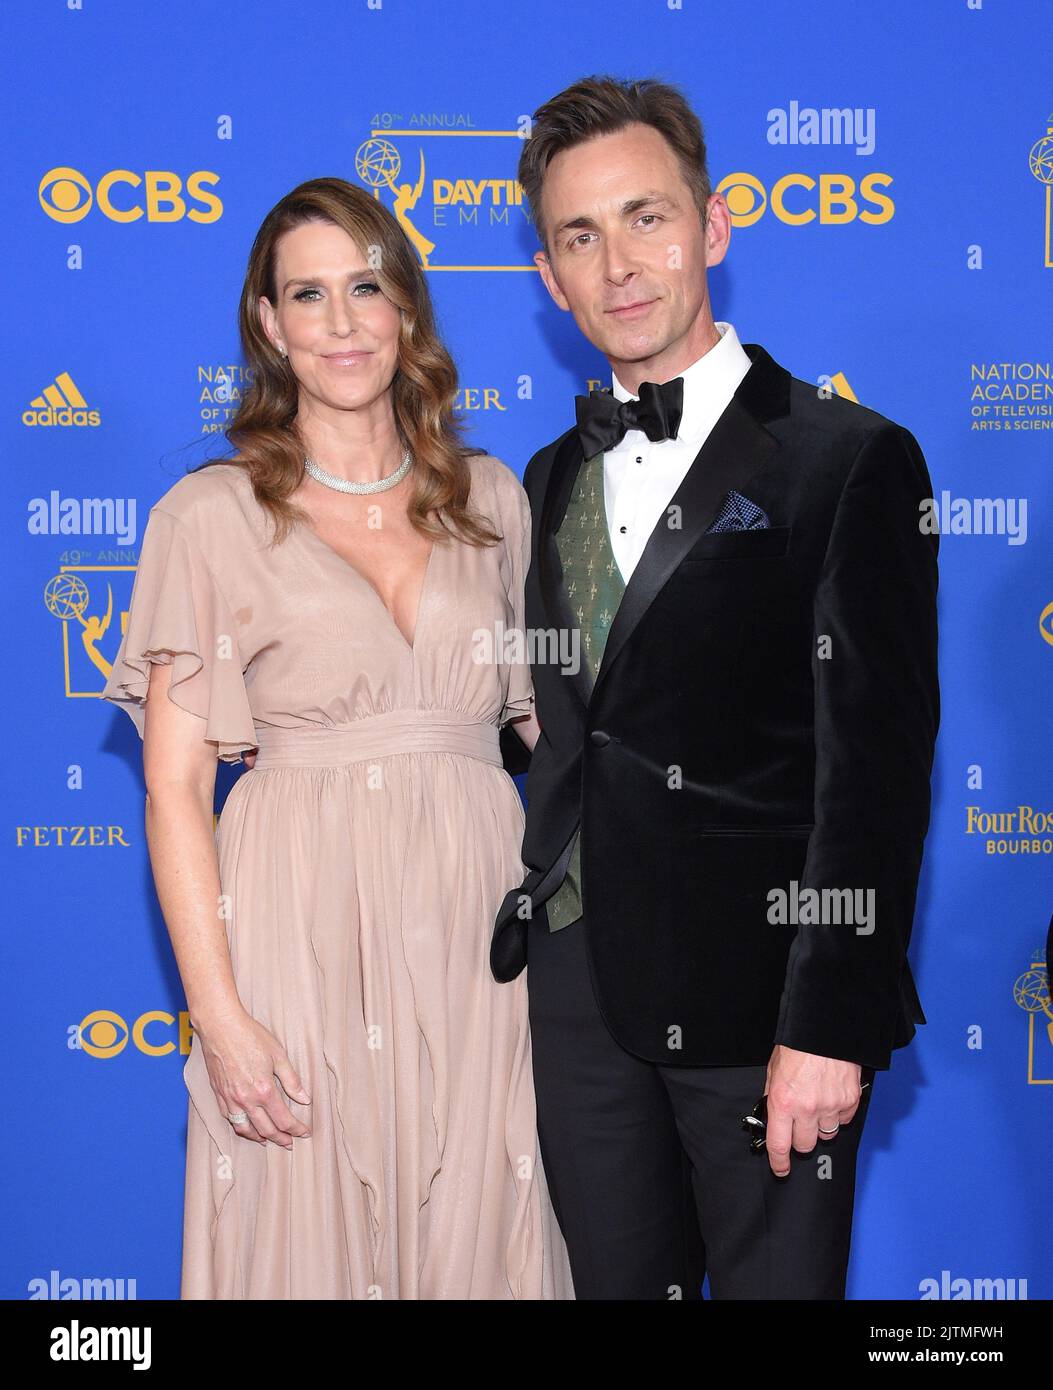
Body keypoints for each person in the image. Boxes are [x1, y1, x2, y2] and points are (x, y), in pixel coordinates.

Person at [491, 76, 940, 1299]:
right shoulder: (545, 477)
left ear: (714, 226)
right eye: (579, 235)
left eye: (646, 217)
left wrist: (830, 1024)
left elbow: (876, 775)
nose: (618, 264)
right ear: (550, 276)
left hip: (764, 1007)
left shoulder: (849, 460)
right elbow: (552, 721)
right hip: (580, 1000)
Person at [101, 177, 573, 1300]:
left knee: (487, 1221)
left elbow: (562, 738)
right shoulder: (207, 516)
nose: (342, 321)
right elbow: (174, 791)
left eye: (366, 286)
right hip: (294, 927)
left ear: (405, 305)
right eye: (307, 295)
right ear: (269, 324)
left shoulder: (494, 501)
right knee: (302, 1230)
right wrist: (219, 1016)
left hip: (476, 934)